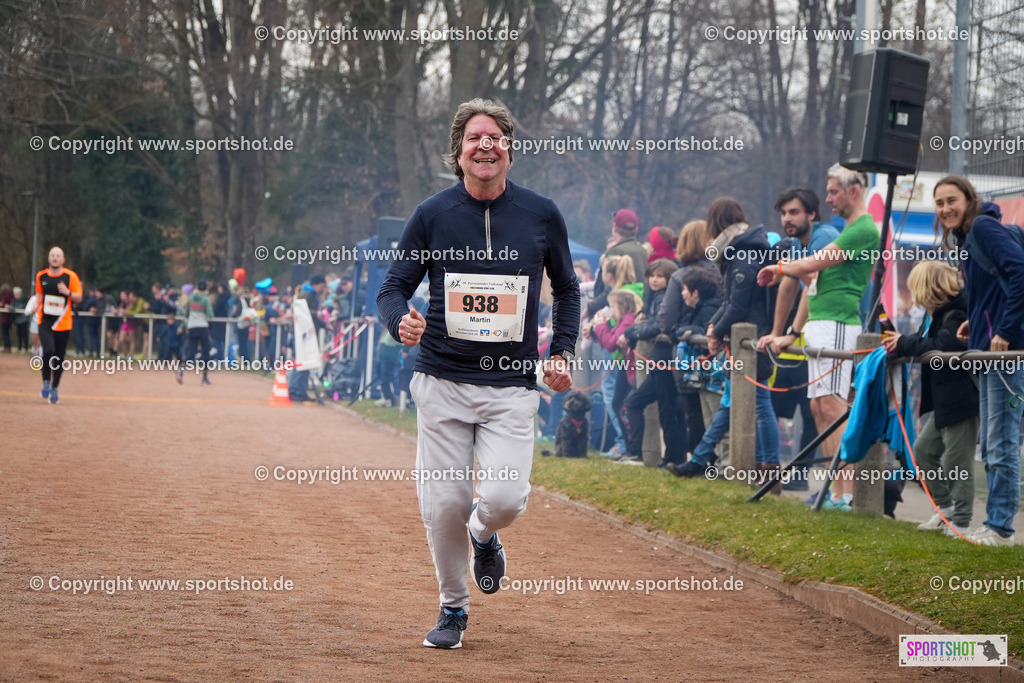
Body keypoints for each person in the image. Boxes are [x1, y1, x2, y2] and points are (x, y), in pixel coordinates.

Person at [377, 98, 579, 649]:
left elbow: (567, 290)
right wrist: (401, 324)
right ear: (459, 152)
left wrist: (561, 354)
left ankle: (484, 534)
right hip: (442, 378)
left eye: (495, 137)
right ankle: (452, 608)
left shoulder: (541, 215)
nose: (485, 145)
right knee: (443, 502)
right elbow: (392, 288)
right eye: (474, 138)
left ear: (509, 148)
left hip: (511, 384)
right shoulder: (433, 213)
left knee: (506, 499)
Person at [756, 165, 879, 510]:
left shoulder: (862, 228)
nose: (828, 199)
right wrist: (789, 332)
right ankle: (834, 491)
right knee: (818, 407)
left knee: (834, 408)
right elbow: (808, 283)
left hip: (840, 322)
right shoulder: (850, 227)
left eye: (833, 192)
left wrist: (777, 268)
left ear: (852, 191)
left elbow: (813, 266)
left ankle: (845, 493)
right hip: (823, 323)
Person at [935, 175, 1023, 545]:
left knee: (1001, 441)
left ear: (969, 199)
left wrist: (1003, 329)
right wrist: (978, 319)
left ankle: (1000, 528)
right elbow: (997, 285)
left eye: (951, 200)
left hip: (1005, 352)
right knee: (991, 443)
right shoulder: (968, 237)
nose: (945, 209)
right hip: (989, 350)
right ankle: (993, 524)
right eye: (939, 204)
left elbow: (1020, 272)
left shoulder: (984, 227)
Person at [673, 199, 780, 483]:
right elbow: (731, 300)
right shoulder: (740, 250)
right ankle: (699, 459)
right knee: (731, 402)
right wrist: (713, 326)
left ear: (716, 223)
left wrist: (715, 332)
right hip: (744, 338)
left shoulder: (744, 254)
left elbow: (739, 305)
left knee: (760, 404)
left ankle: (769, 471)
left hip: (752, 339)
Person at [881, 260, 977, 537]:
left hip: (961, 401)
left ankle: (961, 521)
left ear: (927, 288)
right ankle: (945, 507)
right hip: (944, 402)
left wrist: (902, 342)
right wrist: (900, 344)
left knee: (959, 464)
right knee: (922, 453)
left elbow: (941, 346)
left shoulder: (957, 313)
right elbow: (925, 343)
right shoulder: (937, 316)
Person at [757, 188, 837, 491]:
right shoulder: (795, 245)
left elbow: (811, 281)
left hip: (841, 326)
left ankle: (836, 490)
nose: (787, 219)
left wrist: (791, 334)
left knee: (827, 411)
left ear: (811, 214)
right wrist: (779, 333)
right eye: (784, 213)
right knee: (818, 410)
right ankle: (826, 489)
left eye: (794, 212)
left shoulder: (822, 236)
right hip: (816, 330)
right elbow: (790, 286)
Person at [621, 259, 685, 466]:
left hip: (665, 360)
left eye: (659, 276)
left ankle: (671, 458)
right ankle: (647, 455)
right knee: (646, 405)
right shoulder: (655, 296)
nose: (654, 280)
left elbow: (659, 325)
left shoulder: (665, 297)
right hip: (660, 359)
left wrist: (633, 332)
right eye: (652, 275)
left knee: (667, 410)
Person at [35, 246, 83, 404]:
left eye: (58, 255)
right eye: (52, 255)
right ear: (49, 259)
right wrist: (35, 307)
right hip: (45, 321)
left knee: (59, 357)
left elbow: (79, 298)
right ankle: (46, 381)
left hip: (63, 322)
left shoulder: (70, 276)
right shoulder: (41, 276)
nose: (55, 258)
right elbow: (39, 297)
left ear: (63, 260)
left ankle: (55, 388)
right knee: (48, 350)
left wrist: (68, 292)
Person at [289, 275, 327, 401]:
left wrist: (324, 325)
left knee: (306, 362)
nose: (322, 289)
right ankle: (294, 389)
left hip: (306, 334)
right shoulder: (305, 295)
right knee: (302, 361)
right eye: (321, 286)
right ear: (316, 284)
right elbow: (301, 314)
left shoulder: (310, 295)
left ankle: (300, 390)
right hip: (302, 335)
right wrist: (317, 314)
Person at [178, 280, 214, 385]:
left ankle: (181, 370)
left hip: (192, 327)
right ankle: (205, 377)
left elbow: (187, 314)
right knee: (206, 352)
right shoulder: (206, 299)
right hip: (203, 327)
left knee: (191, 352)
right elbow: (210, 314)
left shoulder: (191, 298)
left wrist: (182, 326)